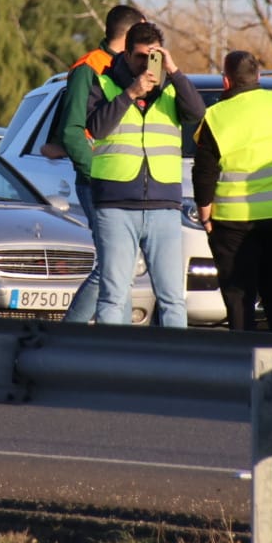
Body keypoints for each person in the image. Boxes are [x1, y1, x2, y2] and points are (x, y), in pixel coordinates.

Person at [86, 21, 205, 327]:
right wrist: (130, 93)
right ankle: (112, 369)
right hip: (115, 204)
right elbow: (97, 127)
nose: (146, 63)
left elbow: (196, 113)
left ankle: (172, 370)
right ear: (126, 54)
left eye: (152, 56)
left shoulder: (170, 89)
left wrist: (175, 72)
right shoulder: (105, 84)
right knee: (113, 295)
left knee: (172, 299)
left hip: (163, 205)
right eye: (140, 56)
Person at [191, 50, 272, 332]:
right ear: (258, 76)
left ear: (226, 81)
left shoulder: (216, 116)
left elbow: (205, 170)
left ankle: (243, 360)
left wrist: (205, 213)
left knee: (239, 295)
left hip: (233, 222)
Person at [54, 3, 144, 323]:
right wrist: (95, 175)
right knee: (112, 266)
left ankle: (117, 349)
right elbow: (72, 131)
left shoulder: (133, 69)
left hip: (124, 182)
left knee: (121, 267)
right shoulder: (89, 68)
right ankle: (65, 340)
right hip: (100, 182)